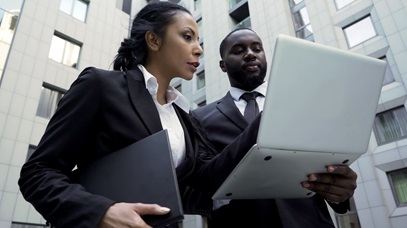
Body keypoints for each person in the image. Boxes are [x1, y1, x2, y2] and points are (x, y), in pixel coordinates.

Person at [18, 2, 211, 227]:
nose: (198, 48)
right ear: (154, 40)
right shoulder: (99, 86)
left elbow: (201, 182)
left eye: (197, 39)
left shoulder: (183, 115)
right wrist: (101, 212)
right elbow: (37, 173)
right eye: (188, 37)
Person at [192, 28, 358, 228]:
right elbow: (200, 184)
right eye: (238, 50)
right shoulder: (199, 118)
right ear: (223, 65)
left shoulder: (302, 103)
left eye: (257, 49)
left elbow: (326, 162)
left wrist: (338, 193)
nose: (251, 54)